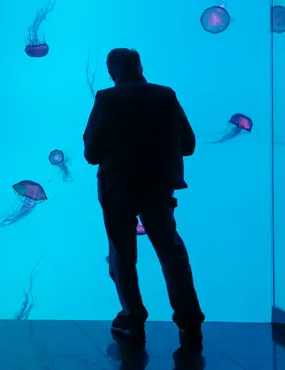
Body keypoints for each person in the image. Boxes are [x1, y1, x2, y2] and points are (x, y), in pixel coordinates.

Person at [84, 48, 204, 344]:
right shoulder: (165, 96)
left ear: (112, 71)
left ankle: (133, 316)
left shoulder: (107, 99)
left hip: (116, 187)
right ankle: (189, 319)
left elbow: (91, 152)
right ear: (139, 66)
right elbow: (188, 144)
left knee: (122, 254)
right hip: (158, 186)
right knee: (171, 252)